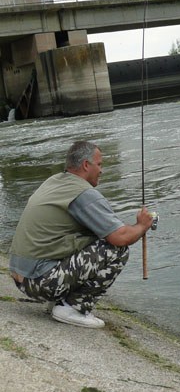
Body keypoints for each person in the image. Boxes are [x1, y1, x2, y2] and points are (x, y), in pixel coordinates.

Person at [9, 141, 153, 329]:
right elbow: (120, 237)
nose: (102, 170)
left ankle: (59, 302)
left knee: (92, 238)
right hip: (41, 283)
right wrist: (142, 225)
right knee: (116, 250)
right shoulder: (83, 193)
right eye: (99, 164)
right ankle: (72, 308)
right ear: (86, 165)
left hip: (21, 278)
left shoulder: (53, 182)